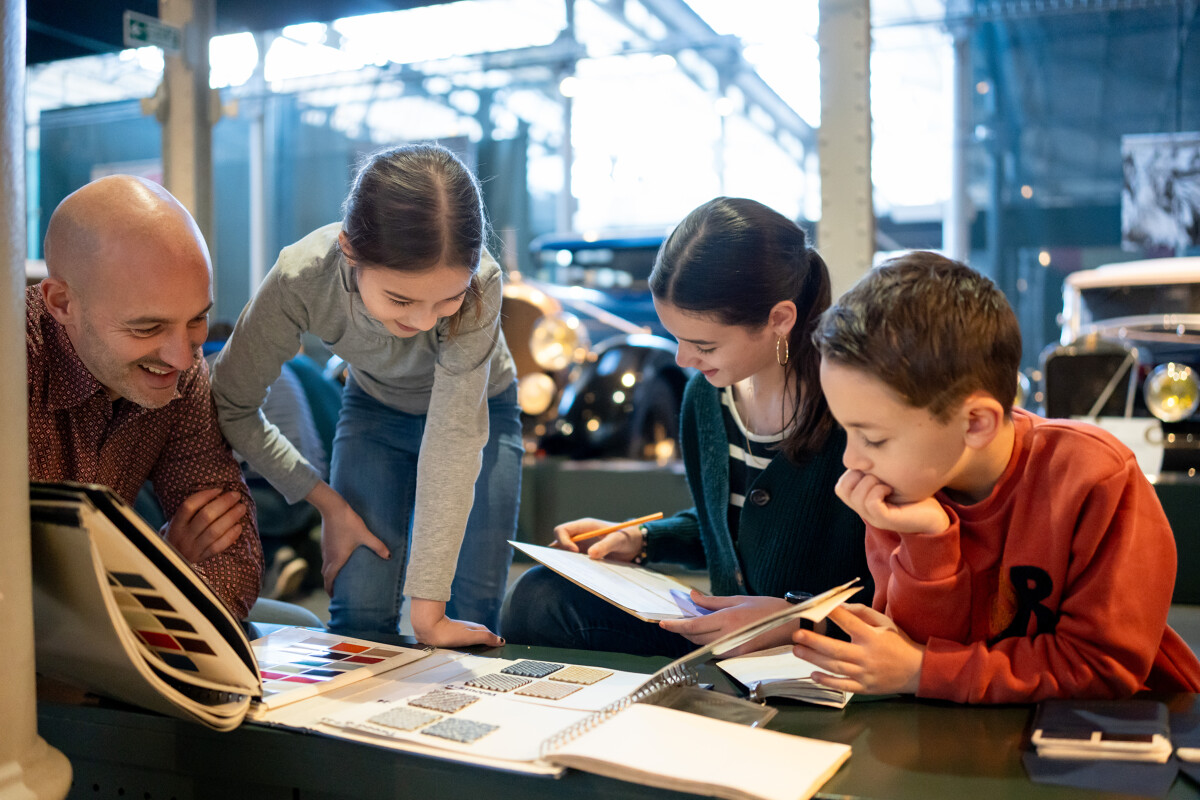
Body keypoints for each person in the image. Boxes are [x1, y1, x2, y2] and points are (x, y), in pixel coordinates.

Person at [795, 250, 1200, 702]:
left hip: (1117, 738)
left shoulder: (1095, 478)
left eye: (872, 438)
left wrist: (925, 671)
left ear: (975, 423)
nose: (852, 460)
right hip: (971, 734)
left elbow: (1102, 667)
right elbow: (910, 657)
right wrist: (928, 542)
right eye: (847, 432)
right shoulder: (906, 489)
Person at [502, 197, 871, 657]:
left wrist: (793, 622)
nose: (683, 360)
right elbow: (732, 532)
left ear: (779, 319)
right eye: (675, 338)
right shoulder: (707, 396)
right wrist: (640, 540)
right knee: (538, 597)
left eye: (703, 345)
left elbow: (889, 583)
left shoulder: (853, 410)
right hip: (721, 635)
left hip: (815, 648)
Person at [211, 144, 521, 647]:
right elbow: (232, 403)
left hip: (479, 412)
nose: (423, 322)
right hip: (375, 408)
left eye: (448, 300)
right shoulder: (301, 278)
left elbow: (454, 437)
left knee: (469, 611)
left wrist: (428, 615)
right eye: (400, 299)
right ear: (350, 249)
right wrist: (325, 501)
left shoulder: (483, 281)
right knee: (359, 615)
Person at [28, 175, 263, 620]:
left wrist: (123, 581)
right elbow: (20, 594)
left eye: (197, 319)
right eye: (146, 327)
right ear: (61, 303)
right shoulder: (14, 364)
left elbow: (235, 558)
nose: (181, 357)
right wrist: (158, 560)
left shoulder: (182, 371)